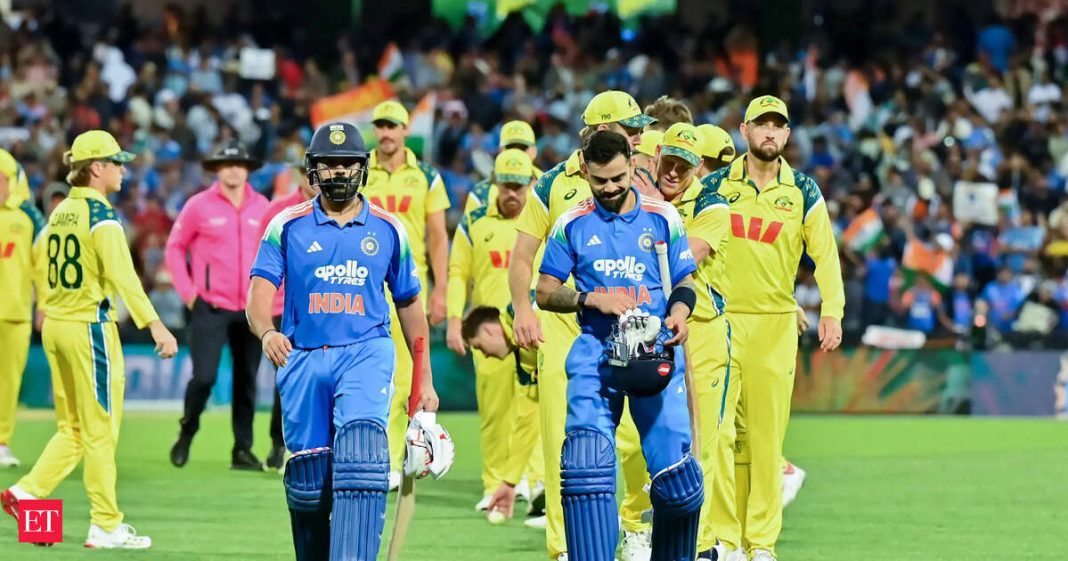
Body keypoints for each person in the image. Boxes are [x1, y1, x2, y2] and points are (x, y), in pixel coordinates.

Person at [246, 121, 440, 561]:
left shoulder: (389, 229)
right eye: (329, 164)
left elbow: (410, 306)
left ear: (362, 168)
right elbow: (257, 296)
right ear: (313, 170)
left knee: (361, 457)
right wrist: (268, 331)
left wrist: (424, 380)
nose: (338, 172)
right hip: (302, 358)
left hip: (366, 353)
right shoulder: (286, 226)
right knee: (308, 482)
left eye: (347, 163)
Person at [1, 130, 178, 549]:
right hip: (89, 328)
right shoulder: (102, 217)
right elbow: (124, 277)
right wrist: (155, 324)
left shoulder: (59, 213)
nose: (123, 170)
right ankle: (105, 525)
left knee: (74, 428)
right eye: (117, 163)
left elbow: (44, 267)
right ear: (96, 168)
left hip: (57, 325)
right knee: (100, 431)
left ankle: (28, 494)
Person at [535, 129, 703, 561]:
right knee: (585, 467)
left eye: (617, 178)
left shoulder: (663, 217)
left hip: (654, 348)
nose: (609, 188)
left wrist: (679, 313)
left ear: (632, 164)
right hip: (596, 351)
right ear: (585, 171)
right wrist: (592, 299)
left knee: (678, 483)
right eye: (599, 180)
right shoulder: (571, 223)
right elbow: (545, 291)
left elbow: (685, 281)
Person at [505, 90, 658, 561]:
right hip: (565, 328)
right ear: (602, 130)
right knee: (563, 442)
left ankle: (635, 525)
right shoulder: (552, 184)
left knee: (636, 438)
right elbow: (523, 255)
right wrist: (523, 309)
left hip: (630, 329)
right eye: (632, 130)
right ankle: (564, 548)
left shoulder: (641, 178)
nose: (640, 138)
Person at [699, 96, 844, 561]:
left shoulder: (802, 190)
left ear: (787, 135)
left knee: (765, 442)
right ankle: (723, 538)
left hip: (775, 327)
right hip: (719, 323)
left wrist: (832, 310)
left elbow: (825, 255)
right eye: (761, 124)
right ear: (744, 130)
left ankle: (761, 543)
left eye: (777, 126)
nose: (769, 132)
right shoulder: (715, 185)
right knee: (717, 436)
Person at [647, 123, 736, 558]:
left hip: (701, 330)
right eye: (669, 161)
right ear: (657, 157)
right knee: (648, 435)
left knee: (702, 441)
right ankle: (645, 530)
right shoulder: (644, 200)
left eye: (684, 165)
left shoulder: (712, 205)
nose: (673, 172)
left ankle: (700, 545)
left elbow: (684, 259)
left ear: (698, 166)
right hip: (652, 330)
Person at [446, 149, 543, 512]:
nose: (512, 193)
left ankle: (535, 483)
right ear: (495, 184)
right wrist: (454, 319)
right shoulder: (474, 222)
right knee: (494, 414)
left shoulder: (543, 218)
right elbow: (458, 272)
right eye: (506, 185)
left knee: (537, 409)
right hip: (492, 335)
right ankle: (494, 484)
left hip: (534, 331)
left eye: (519, 185)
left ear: (530, 182)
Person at [165, 139, 269, 471]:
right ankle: (187, 431)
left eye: (240, 164)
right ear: (217, 169)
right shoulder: (198, 205)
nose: (234, 170)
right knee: (204, 377)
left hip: (251, 308)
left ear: (248, 169)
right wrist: (189, 293)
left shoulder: (263, 207)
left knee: (247, 379)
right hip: (209, 306)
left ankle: (242, 449)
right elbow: (174, 248)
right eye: (227, 164)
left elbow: (275, 252)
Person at [364, 100, 451, 488]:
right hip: (364, 281)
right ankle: (373, 455)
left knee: (404, 374)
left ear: (405, 130)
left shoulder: (427, 176)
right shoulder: (360, 169)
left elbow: (438, 237)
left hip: (407, 287)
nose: (386, 133)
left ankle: (392, 459)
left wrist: (441, 290)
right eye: (380, 125)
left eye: (393, 125)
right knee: (370, 370)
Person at [256, 160, 319, 471]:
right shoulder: (279, 211)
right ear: (301, 175)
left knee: (308, 378)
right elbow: (261, 262)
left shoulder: (337, 210)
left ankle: (305, 445)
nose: (313, 179)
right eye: (309, 173)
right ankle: (281, 444)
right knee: (289, 376)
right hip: (282, 308)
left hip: (319, 308)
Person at [461, 304, 546, 526]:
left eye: (479, 346)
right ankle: (558, 512)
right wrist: (509, 483)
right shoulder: (524, 364)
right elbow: (527, 422)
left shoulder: (521, 311)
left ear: (489, 330)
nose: (485, 355)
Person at [0, 149, 44, 469]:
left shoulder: (29, 218)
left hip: (15, 314)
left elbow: (43, 266)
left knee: (8, 383)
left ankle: (1, 442)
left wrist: (44, 304)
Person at [466, 119, 543, 212]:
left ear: (534, 151)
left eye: (522, 148)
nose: (516, 153)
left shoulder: (548, 187)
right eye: (511, 147)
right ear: (500, 150)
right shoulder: (481, 193)